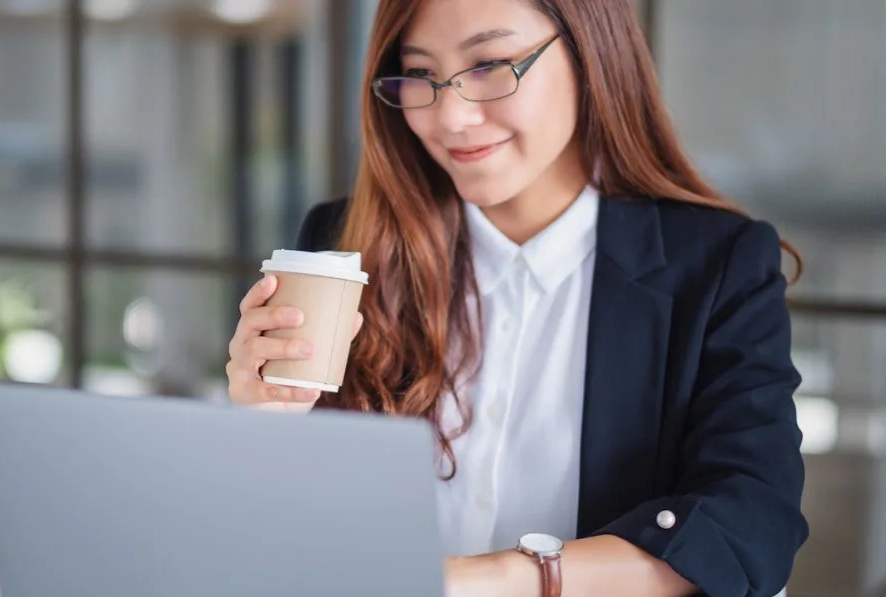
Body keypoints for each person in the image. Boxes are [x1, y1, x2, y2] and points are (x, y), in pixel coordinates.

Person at [225, 0, 808, 595]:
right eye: (421, 75)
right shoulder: (346, 246)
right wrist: (267, 430)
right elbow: (298, 542)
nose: (450, 117)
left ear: (589, 53)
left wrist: (484, 579)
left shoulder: (715, 265)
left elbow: (749, 525)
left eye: (489, 65)